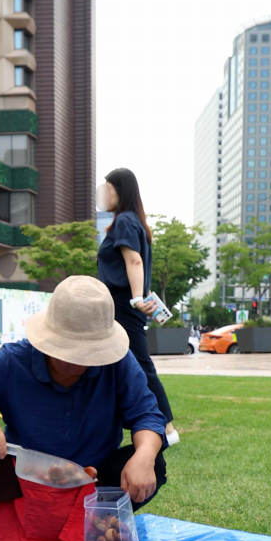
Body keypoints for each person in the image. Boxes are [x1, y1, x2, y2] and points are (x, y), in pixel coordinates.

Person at [0, 275, 167, 541]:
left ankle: (101, 527)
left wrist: (144, 456)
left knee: (153, 461)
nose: (80, 360)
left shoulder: (118, 362)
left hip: (93, 479)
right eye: (71, 350)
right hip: (20, 479)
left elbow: (148, 415)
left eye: (90, 351)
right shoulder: (12, 360)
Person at [95, 169, 181, 446]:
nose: (104, 194)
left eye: (108, 188)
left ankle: (166, 428)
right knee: (114, 363)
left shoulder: (124, 222)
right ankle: (116, 425)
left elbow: (134, 262)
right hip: (122, 303)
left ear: (120, 191)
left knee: (139, 364)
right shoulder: (134, 222)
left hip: (122, 303)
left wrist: (135, 299)